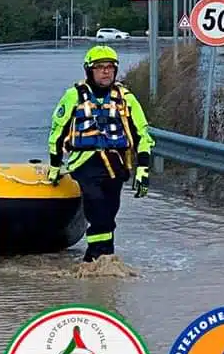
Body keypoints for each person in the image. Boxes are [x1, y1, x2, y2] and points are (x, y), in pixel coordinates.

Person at [47, 45, 153, 262]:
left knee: (109, 214)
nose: (106, 72)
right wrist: (55, 165)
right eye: (100, 67)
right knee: (97, 208)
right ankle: (95, 259)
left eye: (110, 67)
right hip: (84, 164)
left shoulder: (126, 99)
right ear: (90, 70)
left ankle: (105, 259)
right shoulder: (73, 96)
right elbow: (57, 132)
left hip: (116, 165)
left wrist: (143, 168)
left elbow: (143, 135)